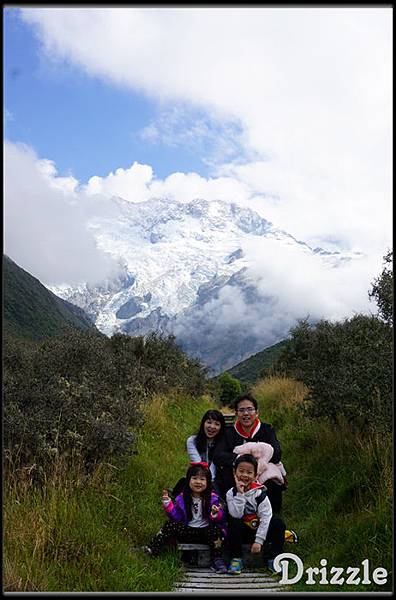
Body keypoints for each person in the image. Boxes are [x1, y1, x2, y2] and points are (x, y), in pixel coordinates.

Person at [145, 463, 228, 574]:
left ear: (208, 482)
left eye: (202, 479)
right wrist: (168, 505)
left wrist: (216, 514)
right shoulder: (182, 498)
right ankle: (153, 549)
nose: (198, 482)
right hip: (188, 530)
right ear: (188, 480)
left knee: (217, 531)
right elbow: (177, 517)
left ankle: (216, 559)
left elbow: (222, 518)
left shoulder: (213, 498)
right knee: (170, 524)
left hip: (206, 532)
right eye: (194, 478)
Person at [213, 393, 285, 512]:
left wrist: (258, 462)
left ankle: (269, 510)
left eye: (250, 409)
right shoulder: (229, 433)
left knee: (272, 477)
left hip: (262, 472)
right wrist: (241, 460)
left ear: (257, 412)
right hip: (236, 474)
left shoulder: (267, 429)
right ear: (236, 413)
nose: (246, 413)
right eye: (241, 410)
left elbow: (277, 454)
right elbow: (218, 456)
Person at [226, 453, 286, 575]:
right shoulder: (230, 493)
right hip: (243, 531)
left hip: (260, 531)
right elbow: (236, 514)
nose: (244, 475)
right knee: (234, 523)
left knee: (277, 523)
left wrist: (259, 541)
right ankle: (236, 559)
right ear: (234, 472)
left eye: (249, 473)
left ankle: (274, 559)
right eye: (241, 471)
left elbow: (266, 517)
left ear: (255, 475)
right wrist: (240, 494)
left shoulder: (260, 493)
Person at [172, 409, 226, 498]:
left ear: (221, 427)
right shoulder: (192, 441)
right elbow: (199, 464)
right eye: (209, 422)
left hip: (215, 479)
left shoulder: (223, 443)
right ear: (203, 423)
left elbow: (215, 466)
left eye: (217, 424)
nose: (212, 427)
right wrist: (202, 481)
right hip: (198, 476)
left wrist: (209, 481)